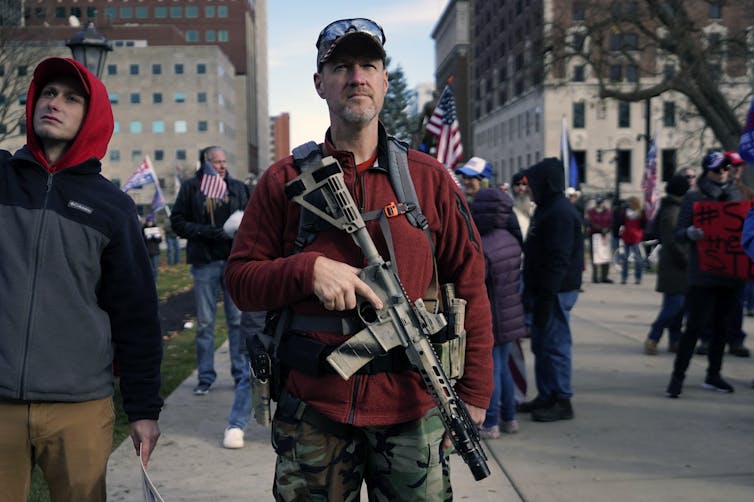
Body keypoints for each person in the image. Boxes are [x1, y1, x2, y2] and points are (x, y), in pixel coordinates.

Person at [225, 18, 493, 499]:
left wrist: (473, 394)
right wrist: (307, 270)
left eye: (369, 65)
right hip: (313, 409)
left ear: (385, 81)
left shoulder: (428, 180)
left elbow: (472, 285)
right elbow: (241, 281)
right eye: (342, 66)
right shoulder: (283, 180)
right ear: (319, 83)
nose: (357, 77)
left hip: (413, 409)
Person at [0, 57, 163, 500]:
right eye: (49, 93)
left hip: (80, 409)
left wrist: (144, 409)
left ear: (92, 116)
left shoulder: (113, 208)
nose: (56, 103)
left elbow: (136, 315)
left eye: (72, 98)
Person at [171, 146, 250, 395]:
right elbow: (177, 222)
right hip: (204, 263)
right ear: (205, 163)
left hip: (233, 261)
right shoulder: (191, 188)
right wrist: (207, 232)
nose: (222, 166)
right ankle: (205, 377)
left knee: (237, 321)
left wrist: (238, 228)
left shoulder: (238, 187)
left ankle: (240, 375)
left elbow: (253, 217)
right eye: (217, 162)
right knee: (205, 324)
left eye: (224, 161)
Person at [666, 150, 743, 398]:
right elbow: (678, 233)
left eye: (725, 168)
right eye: (717, 169)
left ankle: (714, 373)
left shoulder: (738, 194)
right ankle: (678, 377)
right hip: (703, 273)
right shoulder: (693, 197)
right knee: (695, 327)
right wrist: (690, 233)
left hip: (731, 273)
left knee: (722, 326)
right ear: (707, 171)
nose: (722, 173)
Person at [518, 158, 584, 422]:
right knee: (542, 345)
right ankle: (546, 395)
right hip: (543, 289)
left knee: (555, 346)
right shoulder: (547, 208)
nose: (529, 188)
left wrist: (546, 297)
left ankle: (562, 399)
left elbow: (559, 260)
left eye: (532, 183)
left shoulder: (560, 212)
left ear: (545, 183)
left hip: (555, 290)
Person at [470, 188, 526, 438]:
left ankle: (491, 421)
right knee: (503, 367)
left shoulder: (485, 246)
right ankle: (509, 417)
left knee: (492, 370)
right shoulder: (510, 238)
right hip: (511, 313)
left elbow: (477, 283)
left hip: (493, 316)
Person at [644, 173, 690, 355]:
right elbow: (673, 241)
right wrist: (686, 260)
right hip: (675, 265)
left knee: (679, 308)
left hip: (677, 264)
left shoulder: (675, 208)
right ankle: (654, 336)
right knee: (674, 306)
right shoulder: (673, 211)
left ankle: (675, 340)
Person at [618, 196, 647, 285]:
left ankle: (638, 277)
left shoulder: (641, 213)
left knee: (638, 258)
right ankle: (624, 277)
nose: (628, 204)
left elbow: (644, 224)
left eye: (630, 202)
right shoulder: (625, 212)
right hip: (626, 235)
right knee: (625, 258)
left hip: (636, 236)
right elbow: (620, 222)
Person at [585, 196, 614, 283]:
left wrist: (607, 229)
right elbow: (590, 222)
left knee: (605, 256)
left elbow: (611, 222)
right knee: (595, 257)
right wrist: (600, 229)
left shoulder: (608, 212)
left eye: (600, 202)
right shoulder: (591, 212)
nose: (599, 204)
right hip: (595, 235)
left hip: (605, 236)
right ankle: (595, 277)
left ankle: (604, 276)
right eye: (598, 203)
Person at [511, 170, 534, 238]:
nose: (521, 188)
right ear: (513, 187)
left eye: (524, 184)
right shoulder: (510, 210)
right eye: (517, 184)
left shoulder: (536, 209)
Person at [143, 213, 163, 282]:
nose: (150, 222)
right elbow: (141, 241)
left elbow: (160, 240)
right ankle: (148, 281)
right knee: (148, 268)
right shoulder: (143, 229)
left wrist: (156, 237)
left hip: (155, 252)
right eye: (148, 221)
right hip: (147, 252)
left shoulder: (156, 228)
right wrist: (146, 237)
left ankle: (155, 281)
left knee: (155, 268)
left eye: (151, 221)